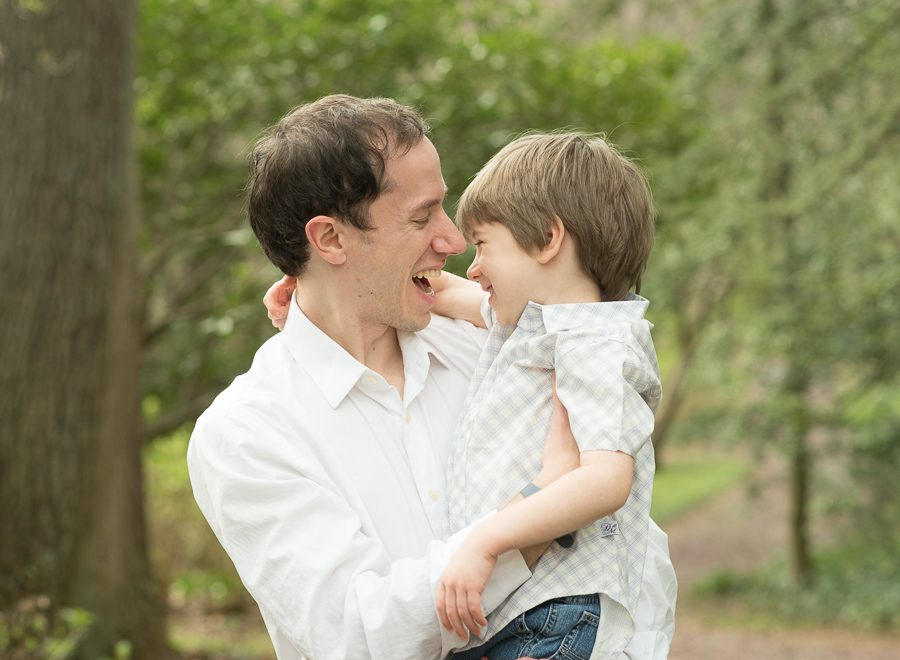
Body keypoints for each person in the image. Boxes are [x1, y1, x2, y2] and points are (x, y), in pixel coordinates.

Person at [190, 94, 675, 660]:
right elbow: (357, 635)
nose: (452, 240)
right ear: (329, 240)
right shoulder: (247, 432)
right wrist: (533, 523)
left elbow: (633, 552)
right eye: (422, 218)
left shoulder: (500, 349)